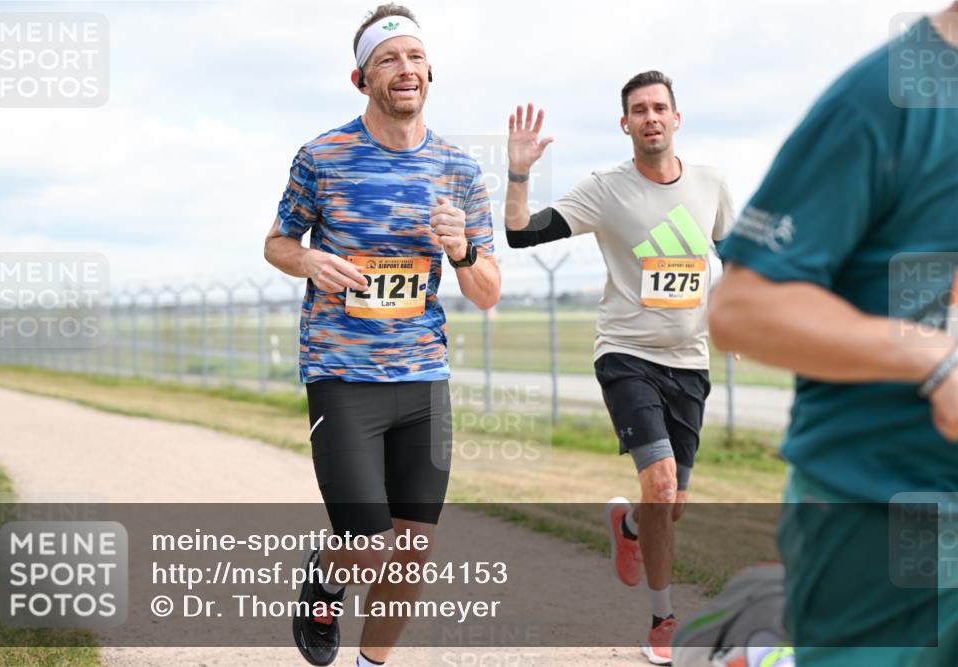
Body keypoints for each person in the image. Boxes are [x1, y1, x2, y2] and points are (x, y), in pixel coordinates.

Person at [709, 5, 958, 666]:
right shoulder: (887, 96)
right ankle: (759, 642)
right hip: (881, 517)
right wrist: (934, 360)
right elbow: (743, 307)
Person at [263, 4, 500, 665]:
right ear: (360, 78)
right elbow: (277, 242)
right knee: (367, 544)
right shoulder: (323, 157)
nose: (405, 70)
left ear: (432, 73)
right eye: (389, 60)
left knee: (412, 549)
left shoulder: (459, 169)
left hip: (423, 376)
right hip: (342, 376)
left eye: (415, 58)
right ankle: (326, 574)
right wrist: (309, 259)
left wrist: (461, 253)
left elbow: (488, 291)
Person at [503, 71, 734, 664]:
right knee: (659, 484)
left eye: (660, 107)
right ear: (624, 123)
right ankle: (664, 618)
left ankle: (629, 526)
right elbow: (521, 234)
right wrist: (520, 174)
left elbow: (736, 259)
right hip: (628, 355)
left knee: (670, 505)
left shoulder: (710, 184)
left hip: (691, 362)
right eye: (639, 109)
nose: (650, 117)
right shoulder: (606, 188)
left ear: (676, 118)